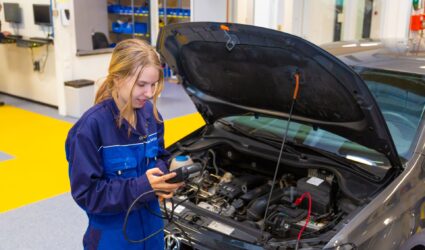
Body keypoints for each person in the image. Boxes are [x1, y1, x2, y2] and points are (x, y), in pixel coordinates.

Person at [65, 39, 183, 249]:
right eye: (141, 85)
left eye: (153, 84)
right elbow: (87, 194)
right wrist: (143, 186)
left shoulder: (152, 116)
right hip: (113, 239)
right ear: (118, 79)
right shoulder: (89, 129)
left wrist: (164, 179)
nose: (149, 93)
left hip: (153, 231)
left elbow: (161, 156)